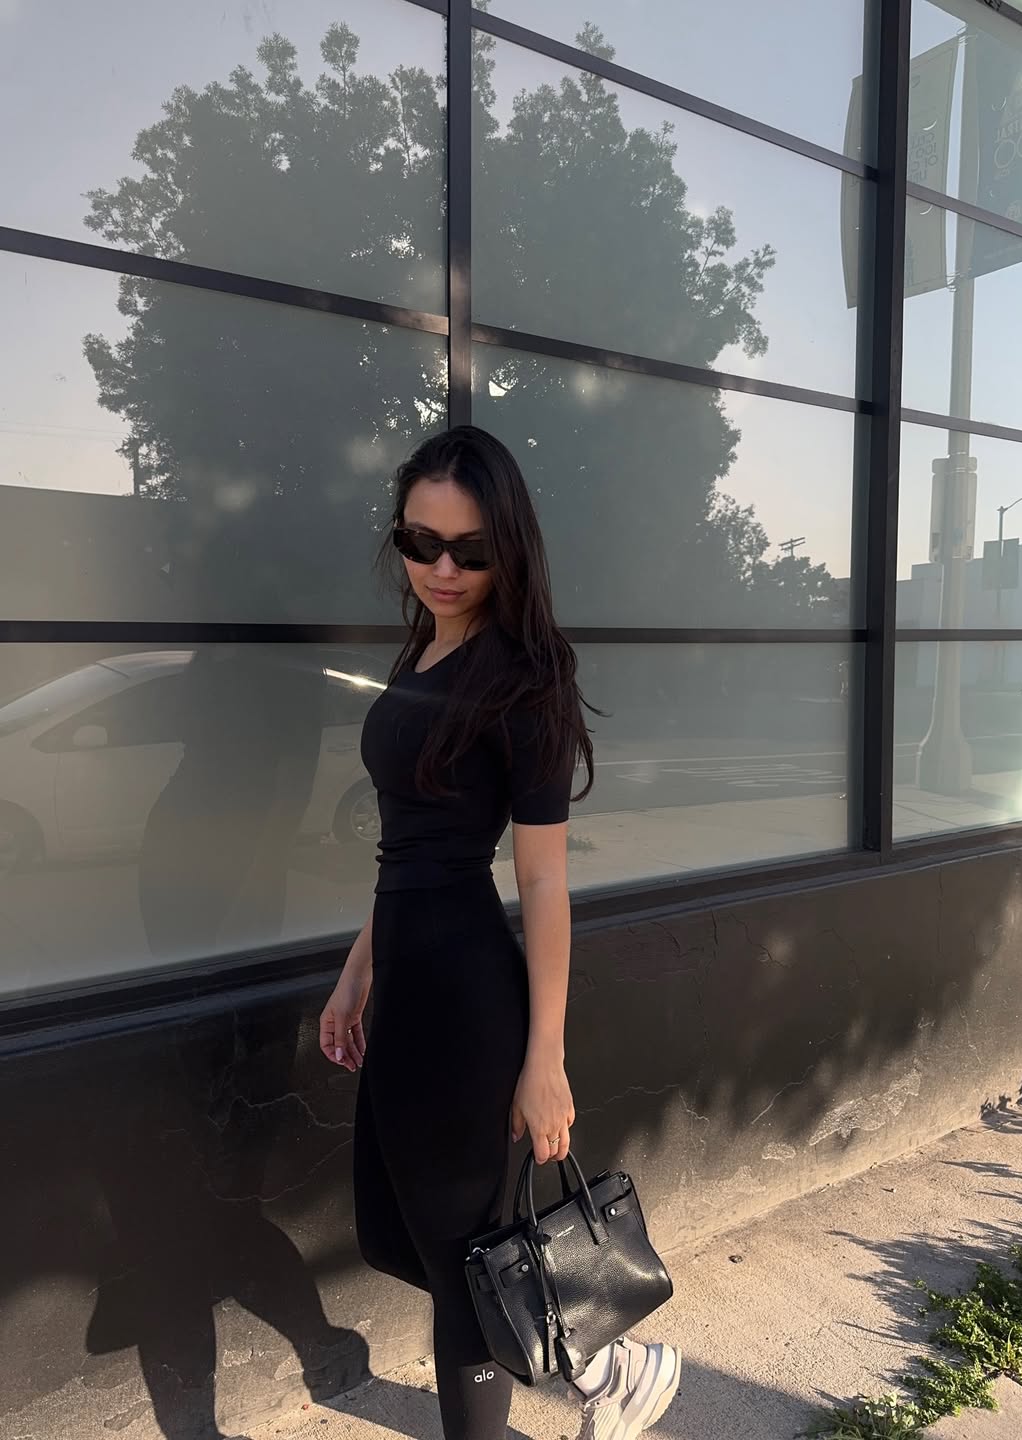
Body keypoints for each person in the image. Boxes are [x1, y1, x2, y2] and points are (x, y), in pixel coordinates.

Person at [320, 427, 681, 1440]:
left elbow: (543, 878)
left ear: (508, 547)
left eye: (470, 550)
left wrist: (545, 1059)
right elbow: (407, 849)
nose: (442, 568)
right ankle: (598, 1365)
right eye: (420, 542)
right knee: (395, 1239)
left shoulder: (525, 677)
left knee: (456, 1268)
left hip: (467, 998)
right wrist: (356, 973)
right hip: (405, 984)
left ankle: (585, 1373)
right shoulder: (425, 649)